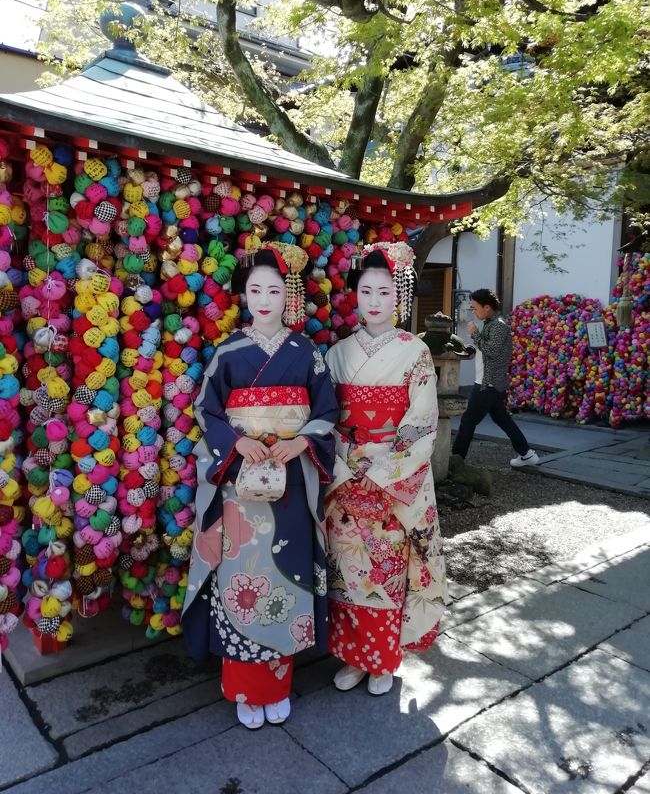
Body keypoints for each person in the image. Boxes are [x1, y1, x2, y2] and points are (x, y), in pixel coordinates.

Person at [182, 242, 337, 729]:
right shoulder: (229, 351)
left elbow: (328, 410)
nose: (264, 298)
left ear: (287, 293)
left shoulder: (307, 351)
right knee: (242, 576)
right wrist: (235, 443)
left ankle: (278, 685)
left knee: (285, 578)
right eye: (255, 289)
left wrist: (303, 442)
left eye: (274, 288)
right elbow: (205, 409)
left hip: (289, 481)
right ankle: (246, 689)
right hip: (241, 486)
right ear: (244, 295)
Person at [325, 241, 447, 696]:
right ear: (355, 295)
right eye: (366, 292)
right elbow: (325, 416)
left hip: (391, 480)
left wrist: (381, 465)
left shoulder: (414, 352)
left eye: (383, 292)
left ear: (396, 296)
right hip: (345, 476)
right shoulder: (337, 354)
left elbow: (421, 419)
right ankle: (353, 658)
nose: (374, 302)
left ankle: (381, 661)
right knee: (347, 571)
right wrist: (346, 462)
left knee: (386, 571)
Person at [452, 288, 540, 468]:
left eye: (475, 308)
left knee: (468, 421)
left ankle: (456, 460)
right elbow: (486, 349)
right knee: (502, 419)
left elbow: (491, 351)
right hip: (491, 382)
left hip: (488, 384)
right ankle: (527, 453)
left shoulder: (499, 325)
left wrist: (475, 334)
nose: (474, 311)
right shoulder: (492, 323)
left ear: (487, 307)